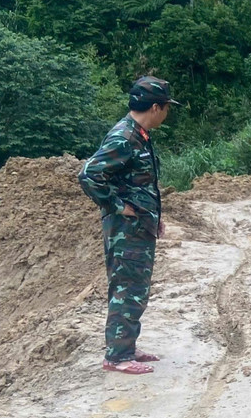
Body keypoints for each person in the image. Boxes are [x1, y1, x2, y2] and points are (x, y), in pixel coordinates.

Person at [78, 76, 182, 375]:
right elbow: (89, 175)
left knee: (135, 288)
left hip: (138, 227)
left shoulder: (139, 135)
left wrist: (154, 217)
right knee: (127, 288)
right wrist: (116, 205)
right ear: (155, 107)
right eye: (166, 107)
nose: (166, 113)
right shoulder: (124, 137)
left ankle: (126, 346)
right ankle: (117, 357)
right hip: (126, 230)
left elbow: (140, 185)